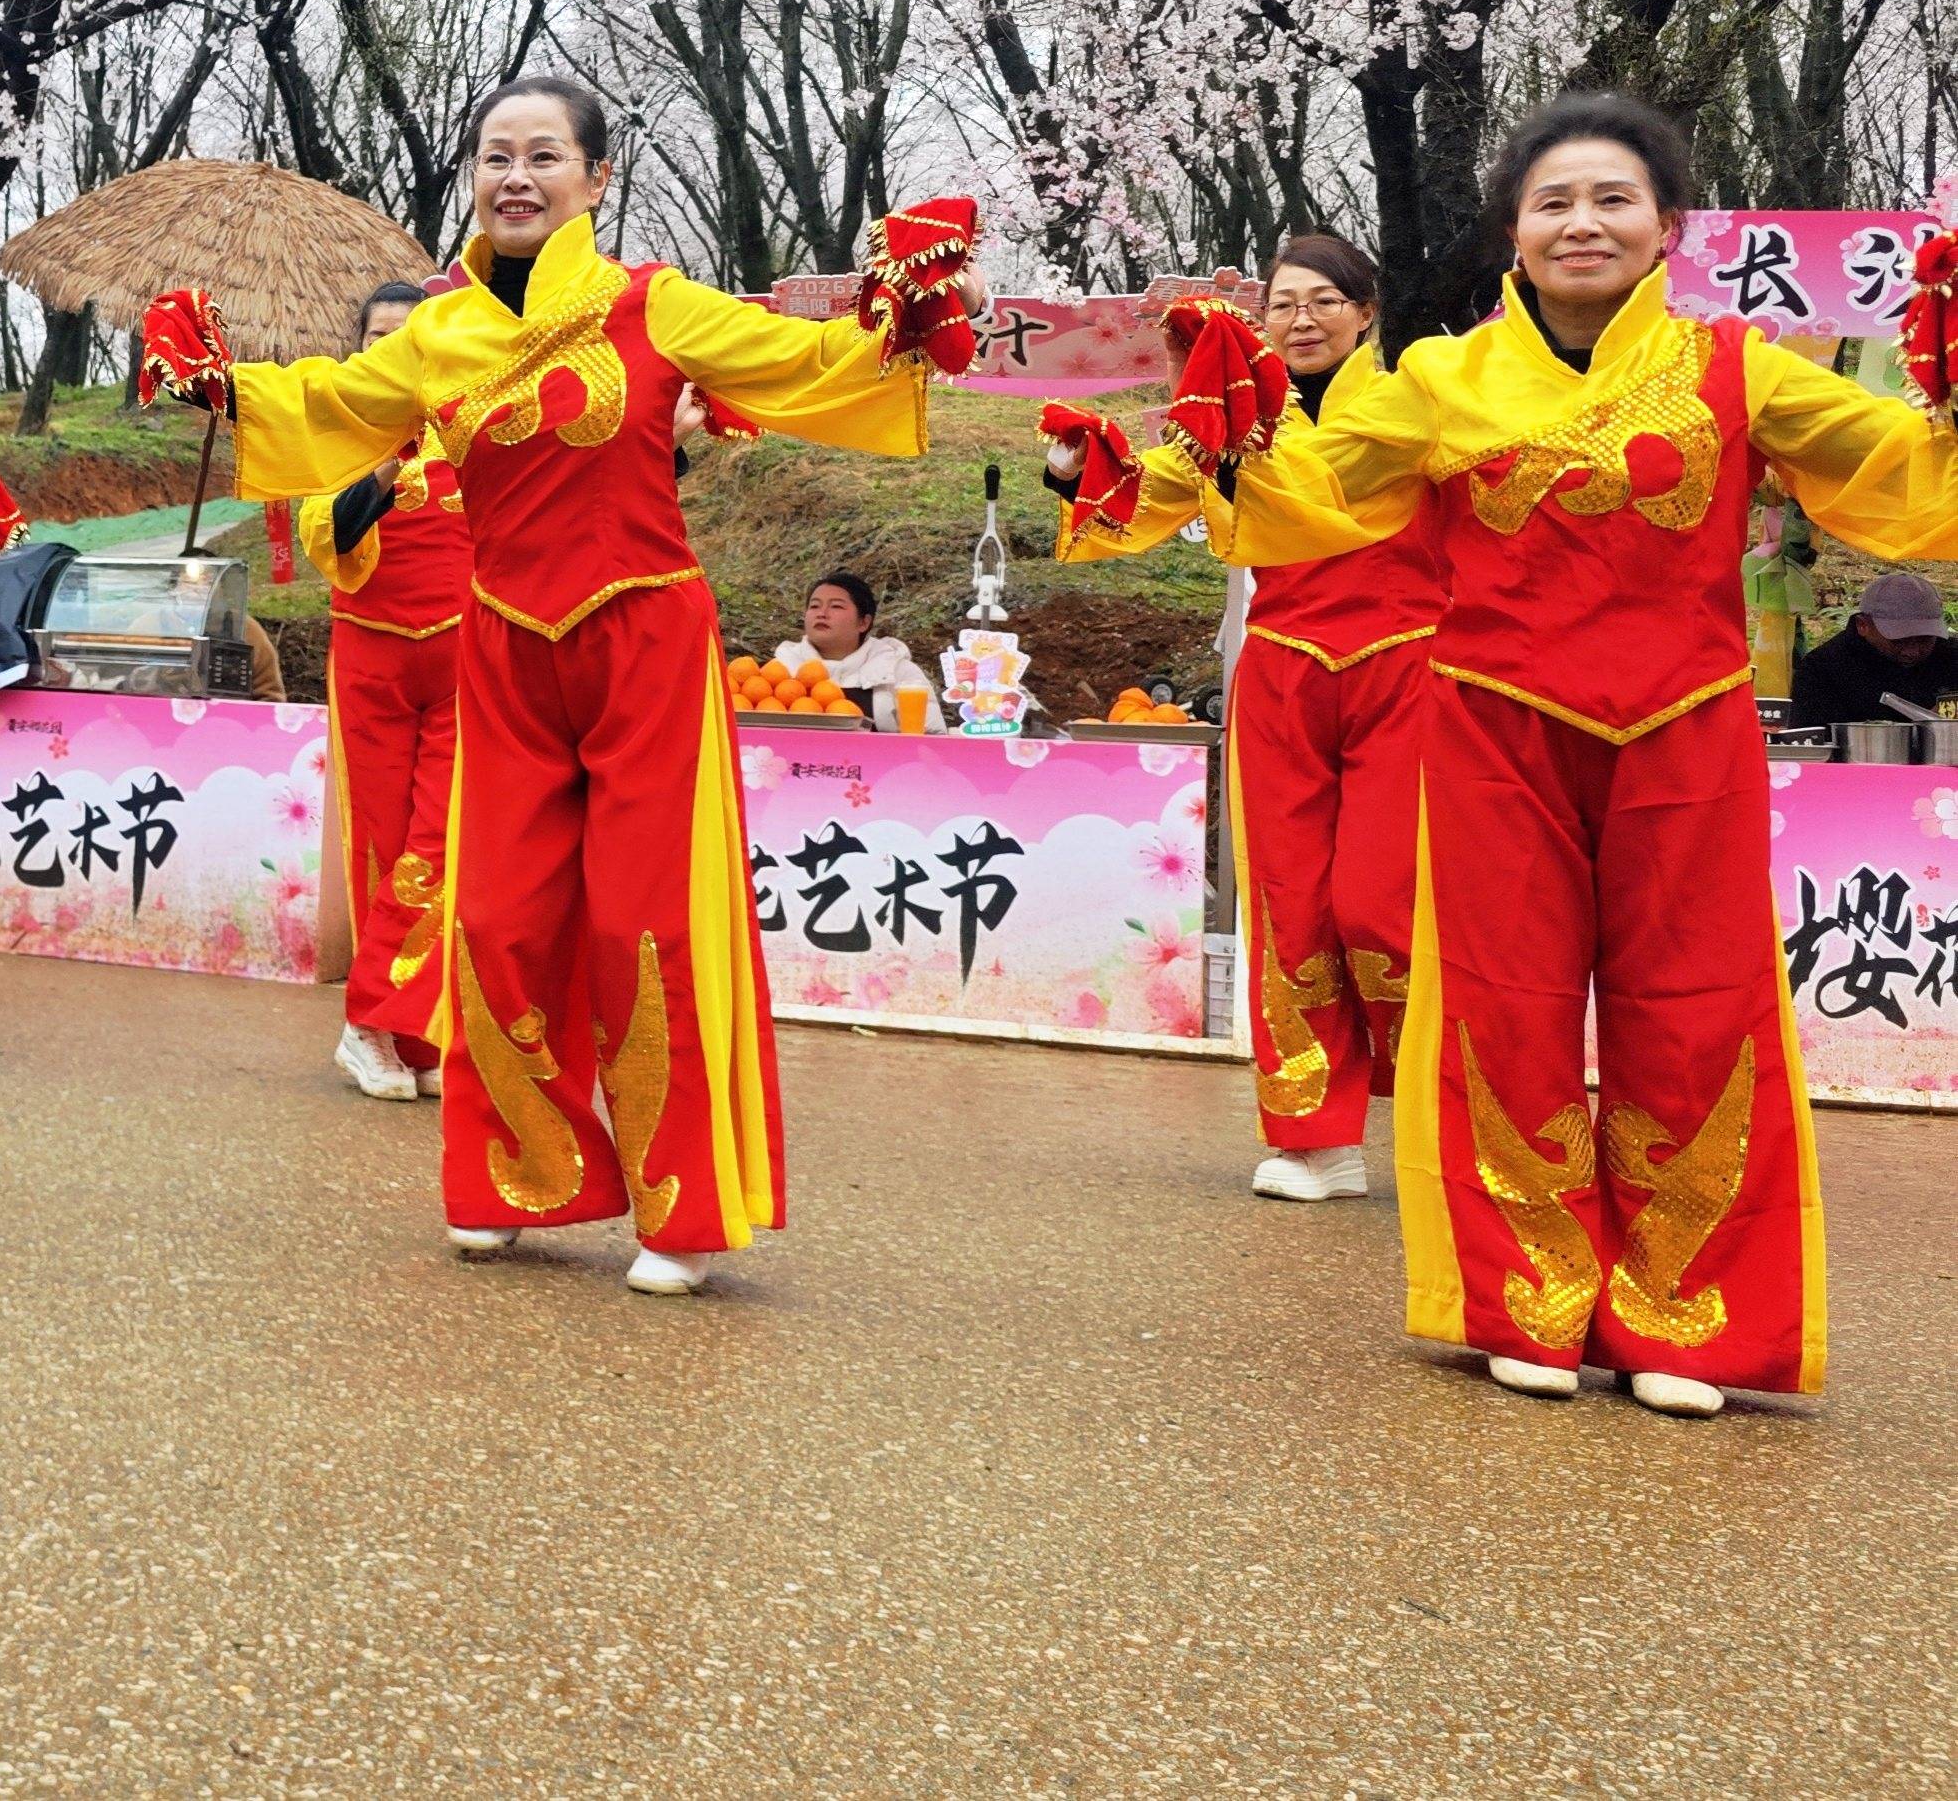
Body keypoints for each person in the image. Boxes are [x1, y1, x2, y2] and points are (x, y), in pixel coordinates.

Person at [158, 77, 973, 1298]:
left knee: (640, 923)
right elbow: (332, 406)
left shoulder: (656, 304)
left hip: (641, 639)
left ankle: (678, 1209)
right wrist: (227, 386)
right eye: (495, 157)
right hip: (501, 644)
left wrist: (897, 313)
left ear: (595, 180)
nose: (517, 176)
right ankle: (513, 1176)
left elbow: (807, 359)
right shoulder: (436, 331)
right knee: (495, 918)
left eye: (545, 155)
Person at [1209, 93, 1958, 1416]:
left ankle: (1683, 1311)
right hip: (1491, 727)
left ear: (1665, 226)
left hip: (1687, 728)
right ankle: (1528, 1297)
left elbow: (1894, 466)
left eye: (1610, 198)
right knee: (1503, 1006)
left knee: (1693, 1008)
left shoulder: (1741, 367)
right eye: (1552, 200)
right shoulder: (1440, 378)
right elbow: (1310, 494)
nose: (1579, 222)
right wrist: (1190, 454)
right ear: (1512, 227)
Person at [1042, 231, 1446, 1204]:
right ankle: (1318, 1136)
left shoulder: (1408, 403)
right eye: (1281, 304)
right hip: (1281, 669)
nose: (1300, 319)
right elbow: (1144, 498)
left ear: (1367, 312)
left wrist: (1242, 438)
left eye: (1322, 301)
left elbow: (1327, 487)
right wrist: (1075, 466)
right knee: (1289, 904)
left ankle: (1449, 1100)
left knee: (1384, 903)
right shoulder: (1224, 423)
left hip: (1408, 667)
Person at [296, 279, 467, 1103]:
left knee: (441, 849)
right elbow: (320, 535)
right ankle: (375, 1029)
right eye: (377, 337)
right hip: (370, 660)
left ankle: (404, 1023)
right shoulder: (336, 430)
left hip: (467, 664)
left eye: (409, 336)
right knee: (378, 847)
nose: (391, 348)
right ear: (358, 350)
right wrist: (380, 476)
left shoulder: (470, 427)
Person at [1787, 570, 1957, 731]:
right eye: (1898, 640)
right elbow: (1809, 739)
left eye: (1925, 639)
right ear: (1863, 625)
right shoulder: (1823, 668)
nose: (1912, 652)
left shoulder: (1951, 656)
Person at [772, 573, 938, 727]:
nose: (821, 613)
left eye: (836, 606)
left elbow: (930, 741)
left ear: (863, 623)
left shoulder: (898, 672)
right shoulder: (779, 670)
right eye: (814, 606)